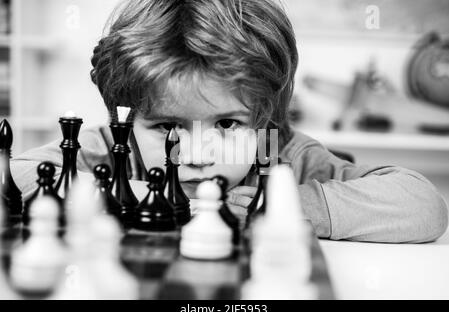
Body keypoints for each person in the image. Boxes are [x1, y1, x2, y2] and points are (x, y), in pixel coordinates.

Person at [11, 0, 448, 243]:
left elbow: (423, 206)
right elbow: (14, 175)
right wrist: (119, 195)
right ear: (124, 121)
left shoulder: (283, 154)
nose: (198, 156)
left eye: (226, 125)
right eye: (166, 126)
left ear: (265, 120)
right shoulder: (109, 148)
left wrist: (298, 207)